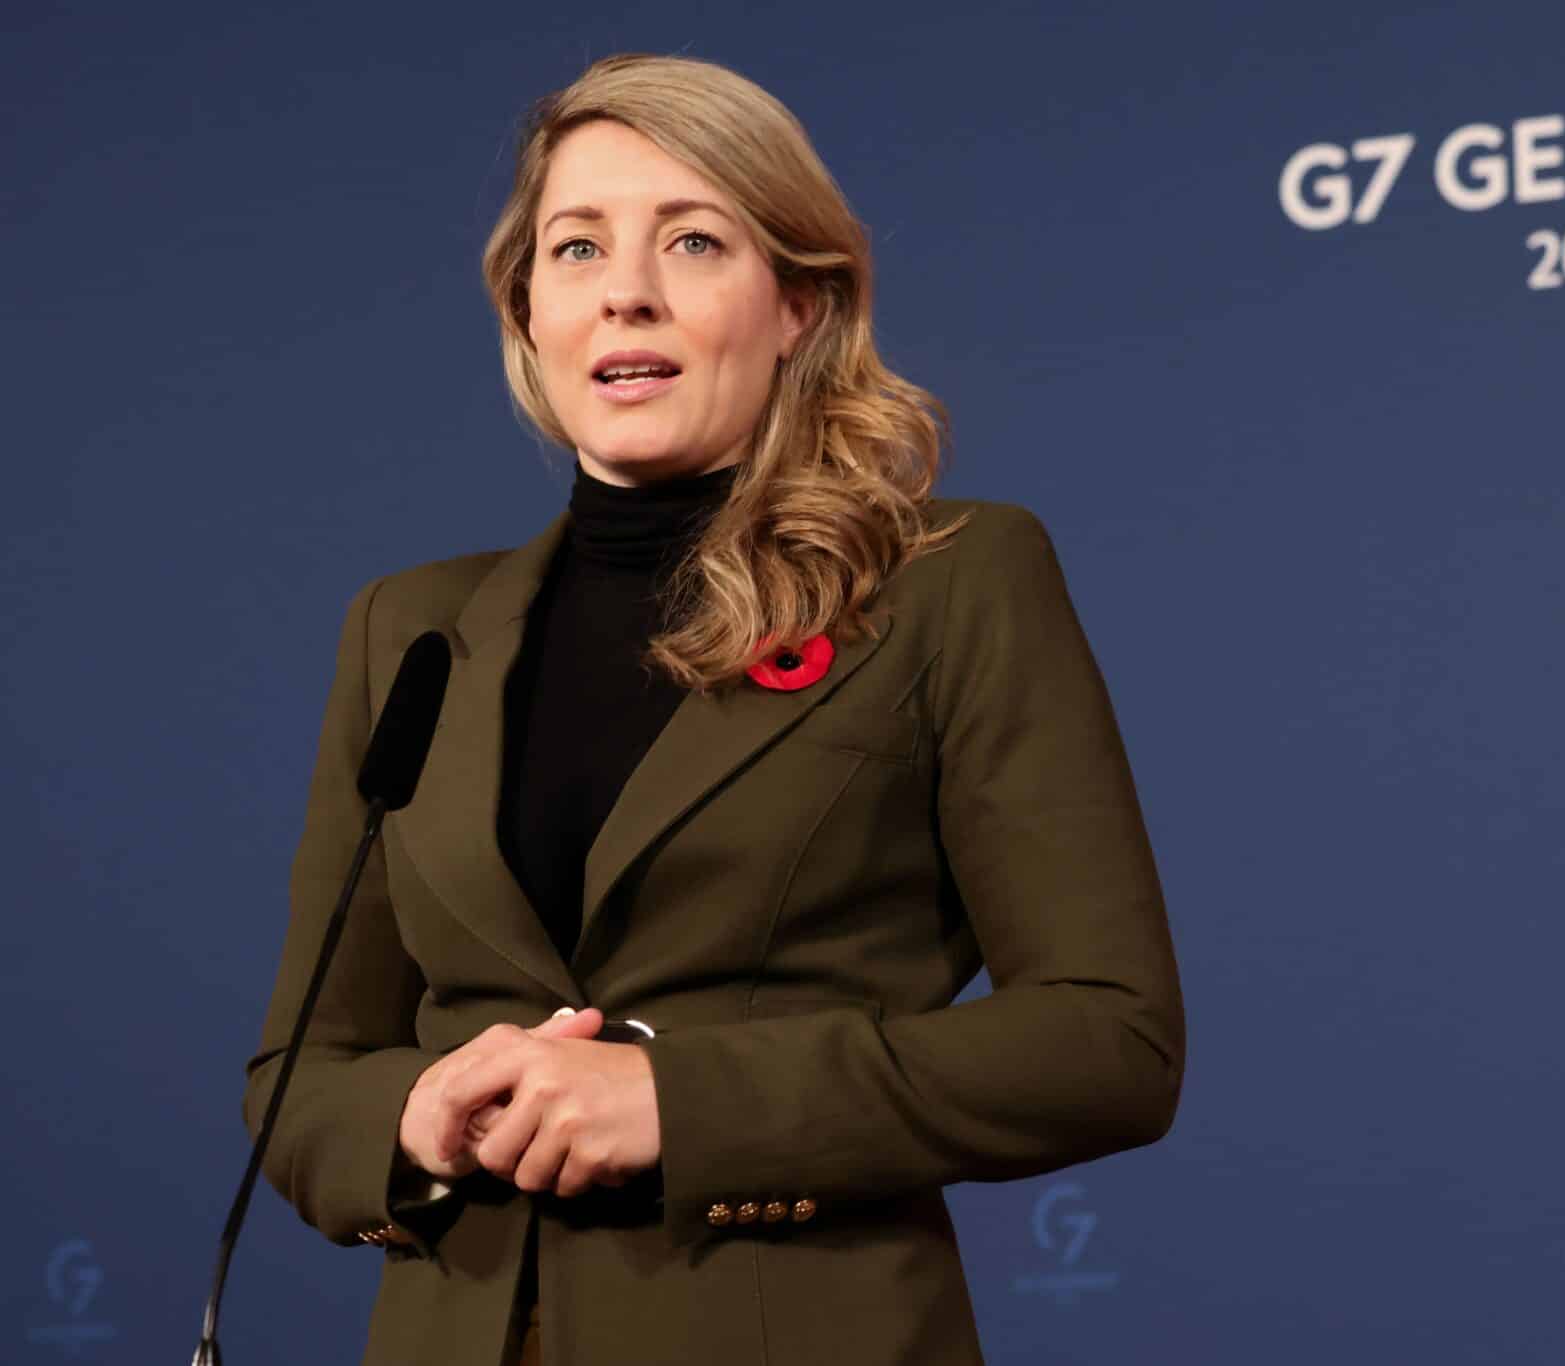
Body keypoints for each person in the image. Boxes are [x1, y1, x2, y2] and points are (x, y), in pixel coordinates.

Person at [241, 52, 1184, 1366]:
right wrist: (416, 1114)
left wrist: (680, 1103)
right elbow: (298, 1078)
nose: (626, 289)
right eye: (575, 249)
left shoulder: (952, 583)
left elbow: (1109, 1039)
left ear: (800, 300)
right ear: (527, 308)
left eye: (691, 239)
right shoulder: (408, 631)